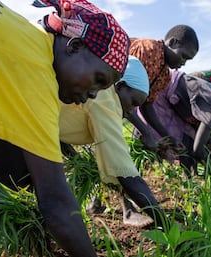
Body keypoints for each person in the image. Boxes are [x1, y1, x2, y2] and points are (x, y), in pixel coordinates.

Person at [0, 0, 129, 256]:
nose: (93, 95)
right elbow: (56, 202)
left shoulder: (26, 39)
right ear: (74, 46)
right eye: (98, 80)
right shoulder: (35, 69)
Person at [59, 56, 169, 229]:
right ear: (119, 85)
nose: (131, 110)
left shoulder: (102, 94)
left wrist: (77, 161)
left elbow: (59, 127)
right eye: (132, 102)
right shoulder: (106, 99)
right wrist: (167, 225)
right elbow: (126, 174)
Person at [136, 71, 211, 176]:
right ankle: (138, 170)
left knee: (188, 139)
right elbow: (197, 149)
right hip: (161, 92)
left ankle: (188, 179)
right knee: (169, 139)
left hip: (172, 97)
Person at [126, 24, 200, 152]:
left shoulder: (164, 75)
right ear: (172, 42)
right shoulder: (148, 49)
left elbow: (147, 105)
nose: (183, 63)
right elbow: (124, 96)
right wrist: (146, 134)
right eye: (183, 56)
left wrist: (169, 137)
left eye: (188, 60)